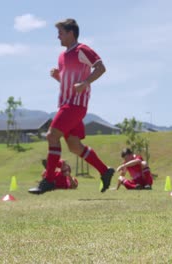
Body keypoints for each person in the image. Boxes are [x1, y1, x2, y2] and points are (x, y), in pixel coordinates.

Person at [28, 18, 114, 195]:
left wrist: (85, 82)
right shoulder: (62, 56)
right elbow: (69, 82)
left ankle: (49, 180)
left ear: (70, 33)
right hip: (66, 104)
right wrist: (59, 77)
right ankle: (105, 171)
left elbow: (101, 68)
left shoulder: (82, 50)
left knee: (52, 136)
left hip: (75, 105)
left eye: (60, 32)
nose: (58, 36)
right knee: (74, 146)